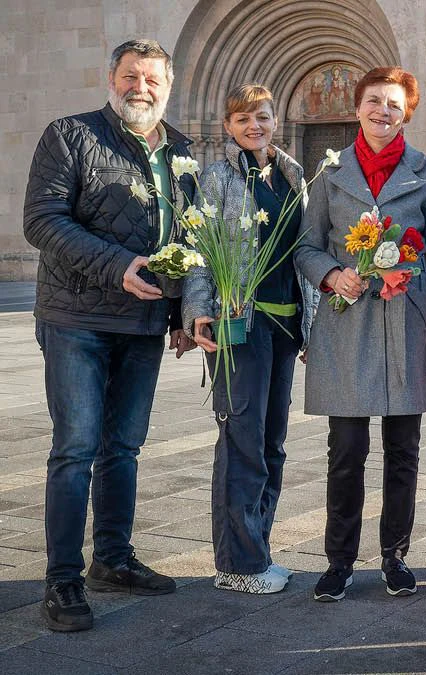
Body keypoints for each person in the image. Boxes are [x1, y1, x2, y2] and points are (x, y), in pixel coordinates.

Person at [23, 38, 196, 632]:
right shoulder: (69, 135)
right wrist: (116, 266)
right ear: (112, 78)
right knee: (75, 448)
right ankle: (62, 580)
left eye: (151, 79)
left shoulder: (181, 150)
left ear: (168, 87)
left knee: (123, 448)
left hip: (143, 324)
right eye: (129, 76)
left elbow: (186, 237)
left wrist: (178, 313)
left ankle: (113, 561)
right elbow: (42, 220)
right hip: (77, 320)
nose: (139, 88)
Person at [294, 67, 426, 602]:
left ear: (406, 111)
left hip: (408, 322)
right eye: (373, 102)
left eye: (393, 104)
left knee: (403, 448)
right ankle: (339, 561)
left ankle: (396, 556)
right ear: (357, 107)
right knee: (346, 448)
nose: (382, 112)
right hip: (347, 321)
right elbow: (307, 246)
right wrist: (332, 273)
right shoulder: (330, 171)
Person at [181, 84, 318, 594]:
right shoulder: (216, 178)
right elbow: (197, 247)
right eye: (242, 119)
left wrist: (312, 325)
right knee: (242, 442)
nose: (252, 126)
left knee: (272, 442)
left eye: (261, 117)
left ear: (275, 120)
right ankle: (238, 564)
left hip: (285, 325)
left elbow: (303, 251)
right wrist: (199, 312)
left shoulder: (294, 175)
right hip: (241, 325)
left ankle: (257, 550)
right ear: (228, 127)